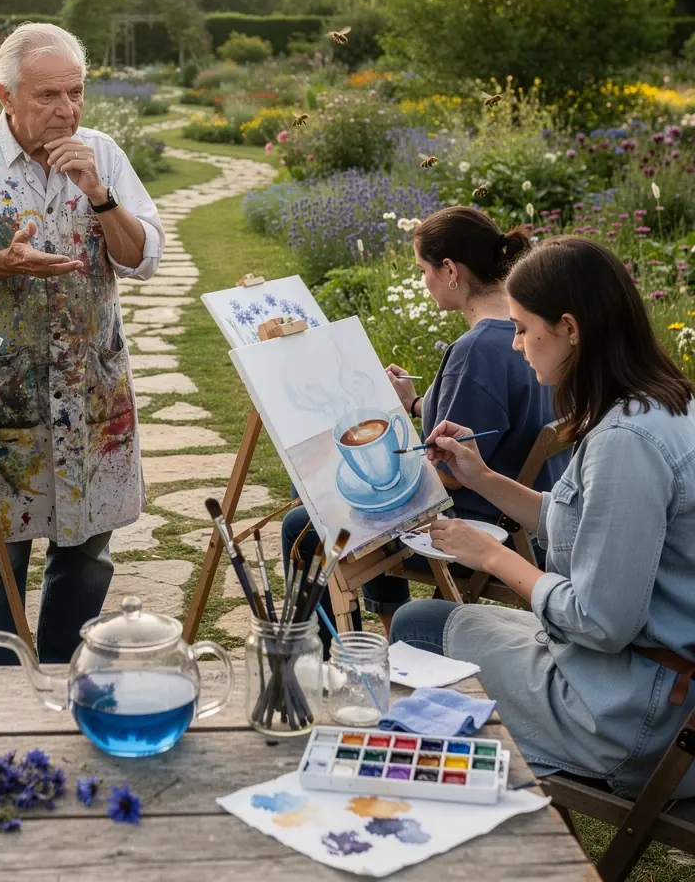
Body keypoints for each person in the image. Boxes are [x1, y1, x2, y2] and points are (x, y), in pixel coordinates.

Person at [0, 22, 165, 666]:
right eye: (48, 95)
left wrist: (100, 196)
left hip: (91, 393)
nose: (66, 110)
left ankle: (63, 683)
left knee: (87, 558)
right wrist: (0, 265)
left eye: (75, 93)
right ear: (5, 95)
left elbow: (142, 258)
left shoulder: (100, 153)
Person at [392, 236, 695, 797]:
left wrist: (491, 555)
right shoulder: (656, 404)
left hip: (633, 714)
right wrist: (481, 476)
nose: (515, 345)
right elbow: (574, 519)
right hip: (642, 675)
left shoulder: (627, 441)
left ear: (569, 329)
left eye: (524, 328)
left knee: (416, 632)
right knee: (423, 622)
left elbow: (600, 622)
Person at [281, 206, 567, 647]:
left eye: (423, 270)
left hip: (484, 527)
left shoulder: (475, 350)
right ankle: (395, 635)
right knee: (343, 502)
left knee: (307, 522)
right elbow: (486, 422)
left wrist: (349, 482)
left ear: (450, 270)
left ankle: (318, 660)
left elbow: (450, 473)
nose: (423, 281)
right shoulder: (530, 333)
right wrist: (414, 403)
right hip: (535, 521)